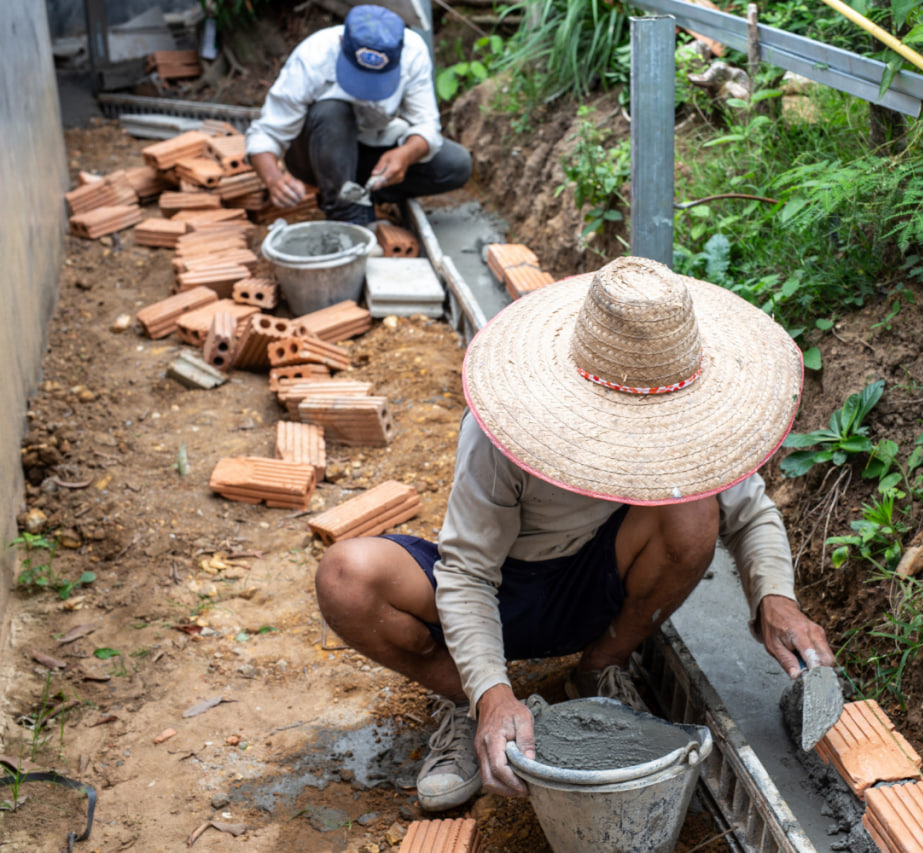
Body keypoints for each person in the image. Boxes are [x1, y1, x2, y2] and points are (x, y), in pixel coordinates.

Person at [314, 256, 835, 811]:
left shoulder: (690, 424)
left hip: (594, 585)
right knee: (347, 576)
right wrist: (490, 692)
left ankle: (599, 670)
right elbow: (467, 573)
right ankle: (477, 708)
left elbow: (750, 513)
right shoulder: (506, 423)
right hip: (498, 586)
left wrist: (775, 598)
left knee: (694, 513)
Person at [245, 4, 472, 224]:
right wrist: (273, 179)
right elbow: (266, 132)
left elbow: (427, 126)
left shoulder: (414, 53)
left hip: (368, 153)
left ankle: (359, 195)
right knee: (331, 111)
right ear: (342, 42)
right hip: (316, 155)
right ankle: (345, 214)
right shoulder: (313, 57)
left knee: (455, 165)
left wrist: (405, 154)